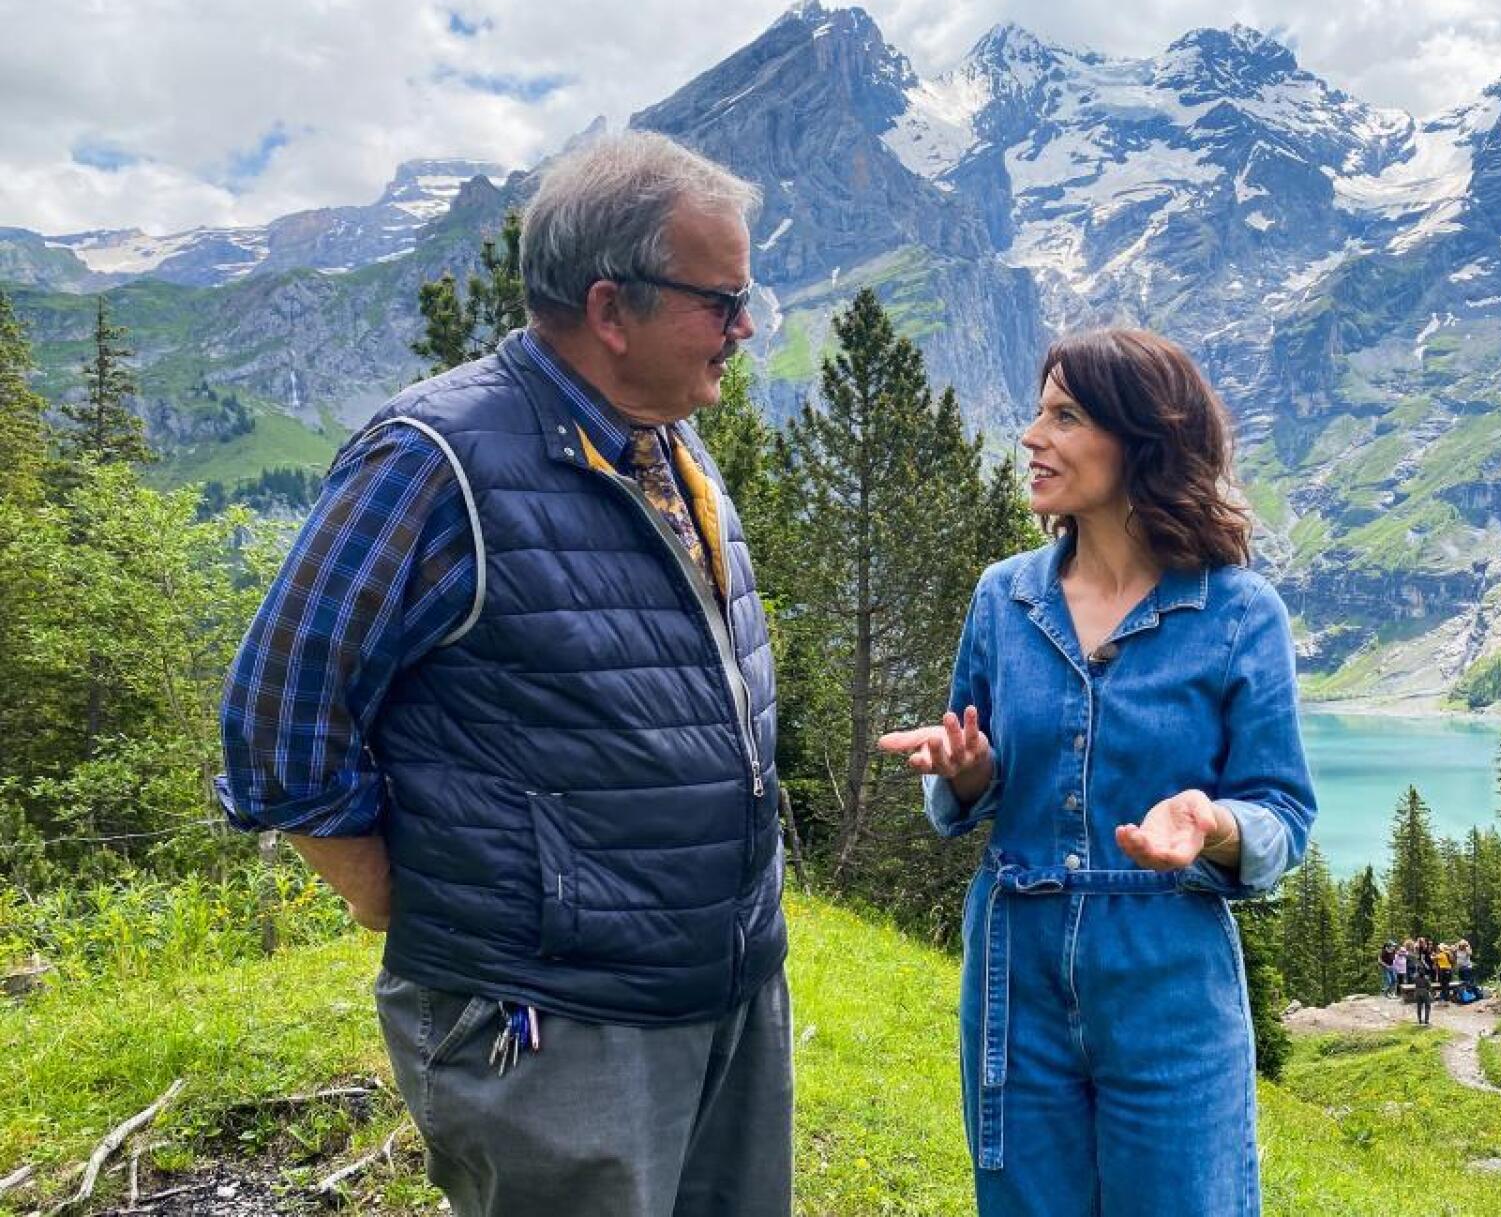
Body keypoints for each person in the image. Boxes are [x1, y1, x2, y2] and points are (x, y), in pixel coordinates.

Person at [217, 133, 791, 1216]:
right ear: (613, 310)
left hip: (723, 988)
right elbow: (276, 723)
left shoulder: (668, 439)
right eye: (723, 301)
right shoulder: (433, 460)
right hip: (554, 1025)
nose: (745, 327)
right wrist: (404, 900)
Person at [879, 328, 1316, 1216]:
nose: (1033, 436)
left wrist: (1215, 824)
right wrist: (967, 775)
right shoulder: (1004, 597)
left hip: (1168, 976)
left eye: (1065, 415)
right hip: (1015, 973)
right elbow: (966, 795)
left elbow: (1284, 815)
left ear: (1142, 440)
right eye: (1038, 413)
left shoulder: (1238, 612)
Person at [1410, 957, 1434, 1026]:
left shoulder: (1415, 977)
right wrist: (1430, 992)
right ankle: (1426, 1020)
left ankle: (1419, 1020)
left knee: (1419, 1006)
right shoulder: (1426, 978)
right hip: (1424, 991)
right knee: (1427, 1006)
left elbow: (1413, 978)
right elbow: (1429, 987)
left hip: (1417, 991)